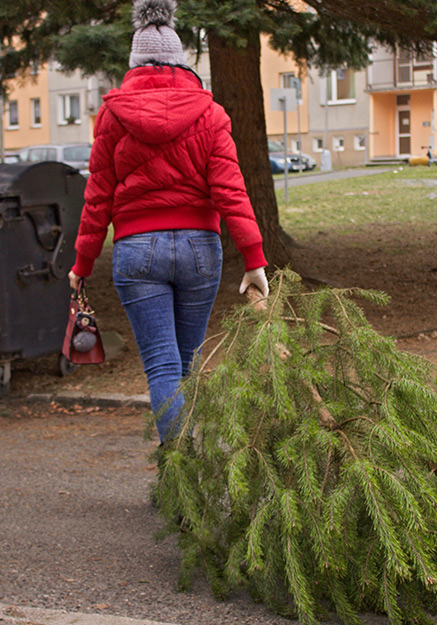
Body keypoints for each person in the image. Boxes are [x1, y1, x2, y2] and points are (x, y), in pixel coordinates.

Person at [68, 0, 269, 442]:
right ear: (182, 63)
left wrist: (82, 266)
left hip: (137, 250)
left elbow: (97, 197)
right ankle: (188, 483)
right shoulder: (210, 113)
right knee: (187, 363)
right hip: (200, 248)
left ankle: (182, 475)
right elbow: (231, 189)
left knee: (161, 363)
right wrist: (253, 258)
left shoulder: (112, 116)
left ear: (134, 65)